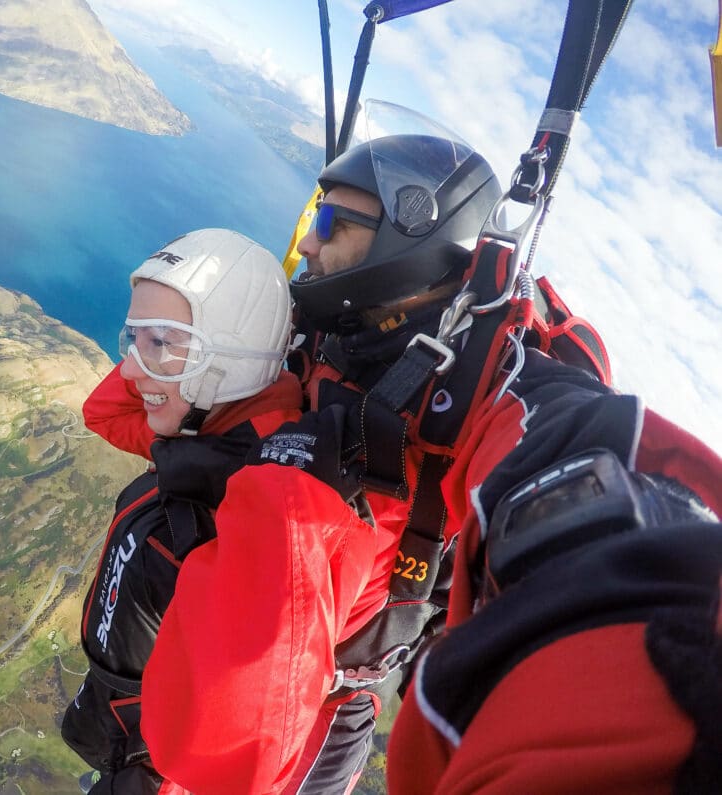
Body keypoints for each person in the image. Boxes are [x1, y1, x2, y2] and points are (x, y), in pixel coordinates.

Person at [138, 101, 722, 794]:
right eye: (310, 218)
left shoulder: (494, 383)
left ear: (405, 239)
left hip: (328, 710)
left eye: (329, 223)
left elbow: (594, 476)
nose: (310, 245)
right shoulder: (345, 325)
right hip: (251, 655)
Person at [61, 228, 377, 794]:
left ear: (228, 363)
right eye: (134, 338)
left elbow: (239, 746)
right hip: (127, 730)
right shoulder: (216, 427)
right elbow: (104, 413)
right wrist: (190, 367)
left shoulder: (268, 511)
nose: (130, 372)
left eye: (159, 342)